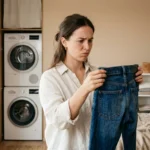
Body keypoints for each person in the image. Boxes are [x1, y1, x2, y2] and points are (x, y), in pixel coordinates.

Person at [39, 14, 143, 150]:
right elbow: (58, 120)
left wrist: (131, 84)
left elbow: (113, 114)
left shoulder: (98, 74)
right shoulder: (50, 78)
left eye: (90, 40)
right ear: (64, 42)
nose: (87, 47)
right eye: (81, 41)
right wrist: (84, 89)